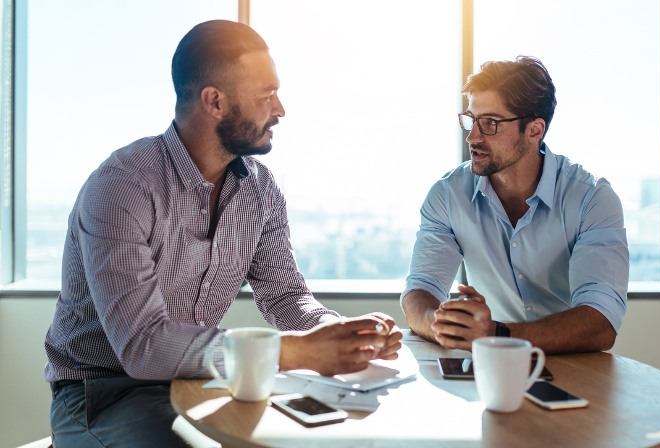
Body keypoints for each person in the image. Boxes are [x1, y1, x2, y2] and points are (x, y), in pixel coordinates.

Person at [44, 19, 402, 446]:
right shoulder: (122, 187)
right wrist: (300, 352)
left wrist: (343, 334)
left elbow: (287, 297)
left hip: (202, 381)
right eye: (267, 95)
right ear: (214, 101)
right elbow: (143, 345)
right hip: (103, 393)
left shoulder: (260, 189)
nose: (281, 109)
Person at [401, 56, 628, 355]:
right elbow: (422, 287)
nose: (472, 136)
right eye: (471, 119)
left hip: (573, 364)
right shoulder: (447, 194)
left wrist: (495, 333)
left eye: (490, 124)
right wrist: (444, 325)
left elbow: (601, 322)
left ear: (534, 130)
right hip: (490, 363)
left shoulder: (591, 198)